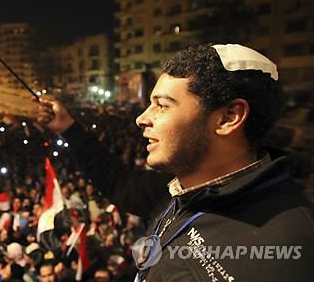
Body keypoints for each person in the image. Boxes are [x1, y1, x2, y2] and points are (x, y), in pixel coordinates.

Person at [36, 44, 314, 281]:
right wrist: (68, 127)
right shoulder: (183, 188)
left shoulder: (289, 250)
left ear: (229, 117)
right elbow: (119, 181)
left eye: (162, 105)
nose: (142, 118)